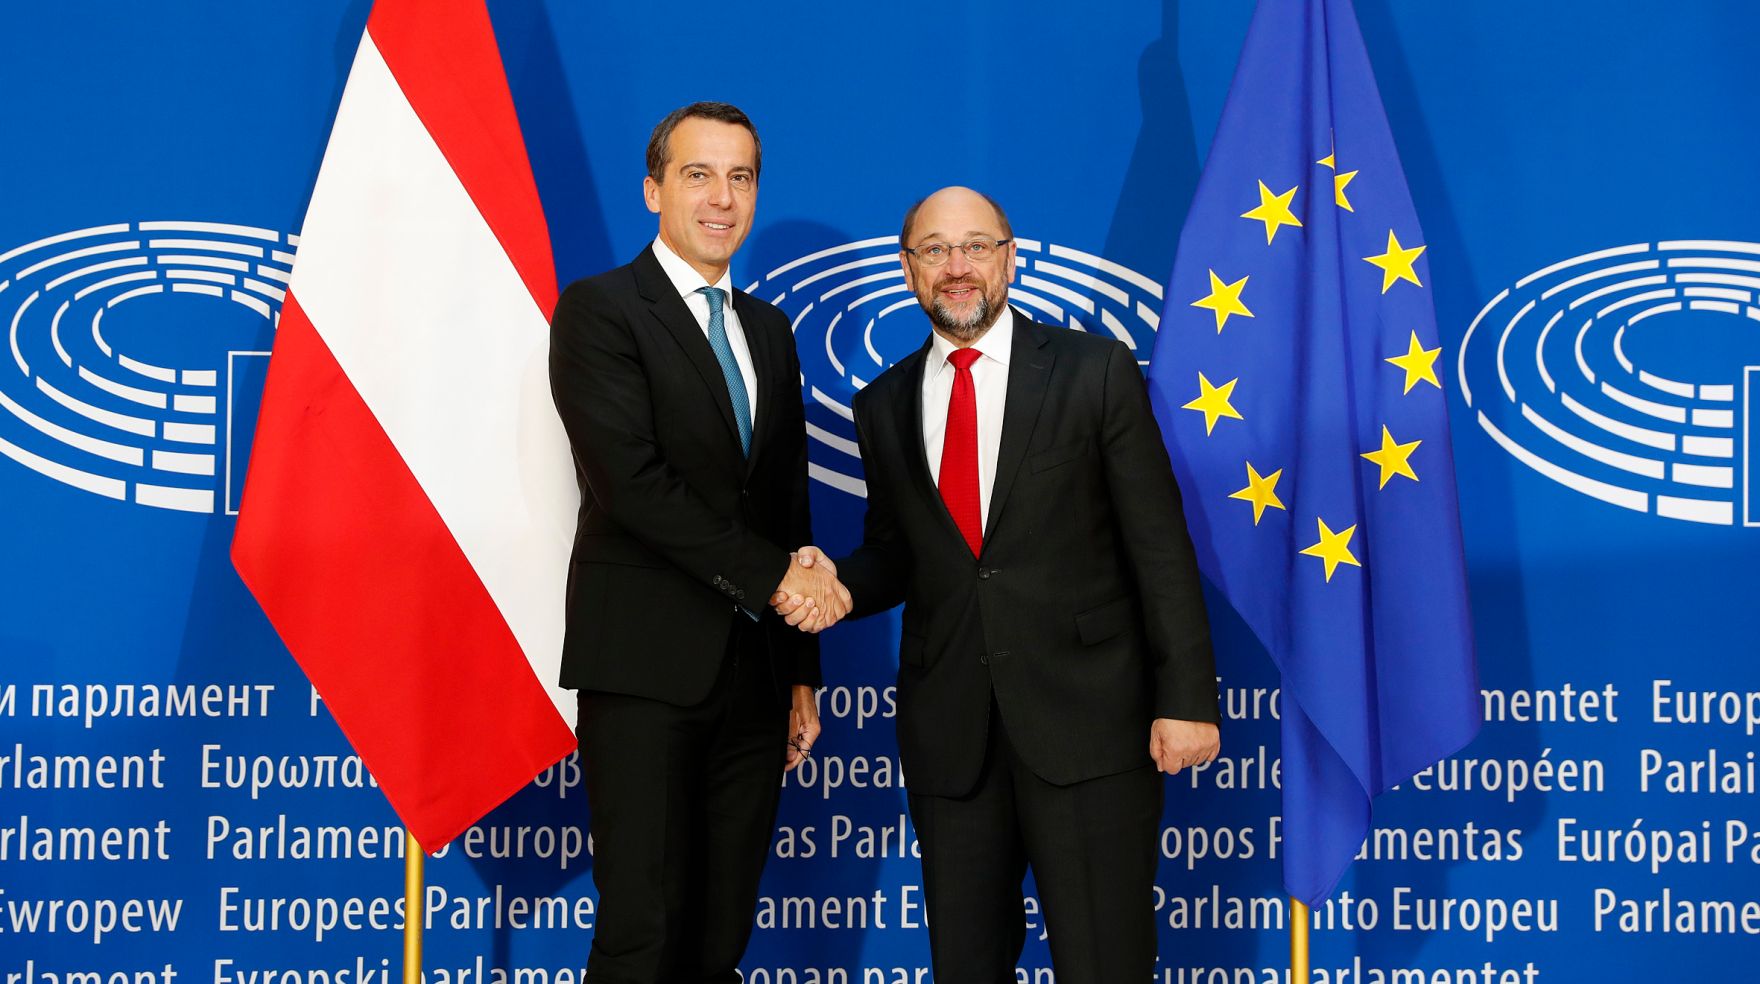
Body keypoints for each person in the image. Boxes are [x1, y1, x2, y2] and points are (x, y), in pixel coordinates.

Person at [779, 186, 1220, 982]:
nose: (958, 267)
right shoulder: (881, 405)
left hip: (1089, 729)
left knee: (1105, 965)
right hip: (954, 744)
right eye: (936, 250)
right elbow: (899, 553)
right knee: (966, 967)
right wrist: (838, 583)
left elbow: (1158, 544)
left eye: (976, 247)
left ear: (1009, 260)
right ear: (909, 270)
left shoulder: (1095, 372)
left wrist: (1186, 697)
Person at [547, 101, 849, 983]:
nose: (723, 197)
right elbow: (632, 486)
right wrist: (779, 586)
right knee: (644, 931)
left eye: (741, 177)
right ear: (653, 191)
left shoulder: (769, 330)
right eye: (698, 174)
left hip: (754, 678)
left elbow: (785, 500)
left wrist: (799, 667)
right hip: (644, 668)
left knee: (721, 938)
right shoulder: (601, 311)